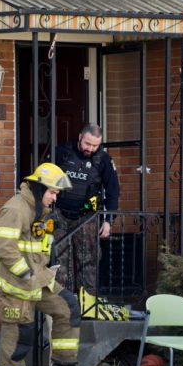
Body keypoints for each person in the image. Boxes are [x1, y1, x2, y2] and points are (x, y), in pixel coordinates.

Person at [0, 162, 92, 366]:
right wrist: (25, 274)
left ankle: (65, 364)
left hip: (37, 280)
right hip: (16, 285)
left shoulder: (38, 210)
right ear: (39, 189)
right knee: (19, 335)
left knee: (67, 307)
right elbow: (3, 247)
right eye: (52, 193)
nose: (54, 198)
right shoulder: (15, 209)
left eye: (56, 194)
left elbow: (37, 248)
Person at [52, 123, 120, 318]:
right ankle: (63, 308)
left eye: (95, 145)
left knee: (88, 263)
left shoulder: (104, 160)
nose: (90, 149)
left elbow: (113, 192)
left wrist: (109, 220)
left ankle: (88, 309)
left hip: (87, 216)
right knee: (60, 264)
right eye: (87, 143)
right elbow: (45, 180)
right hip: (60, 215)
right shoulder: (62, 153)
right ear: (80, 136)